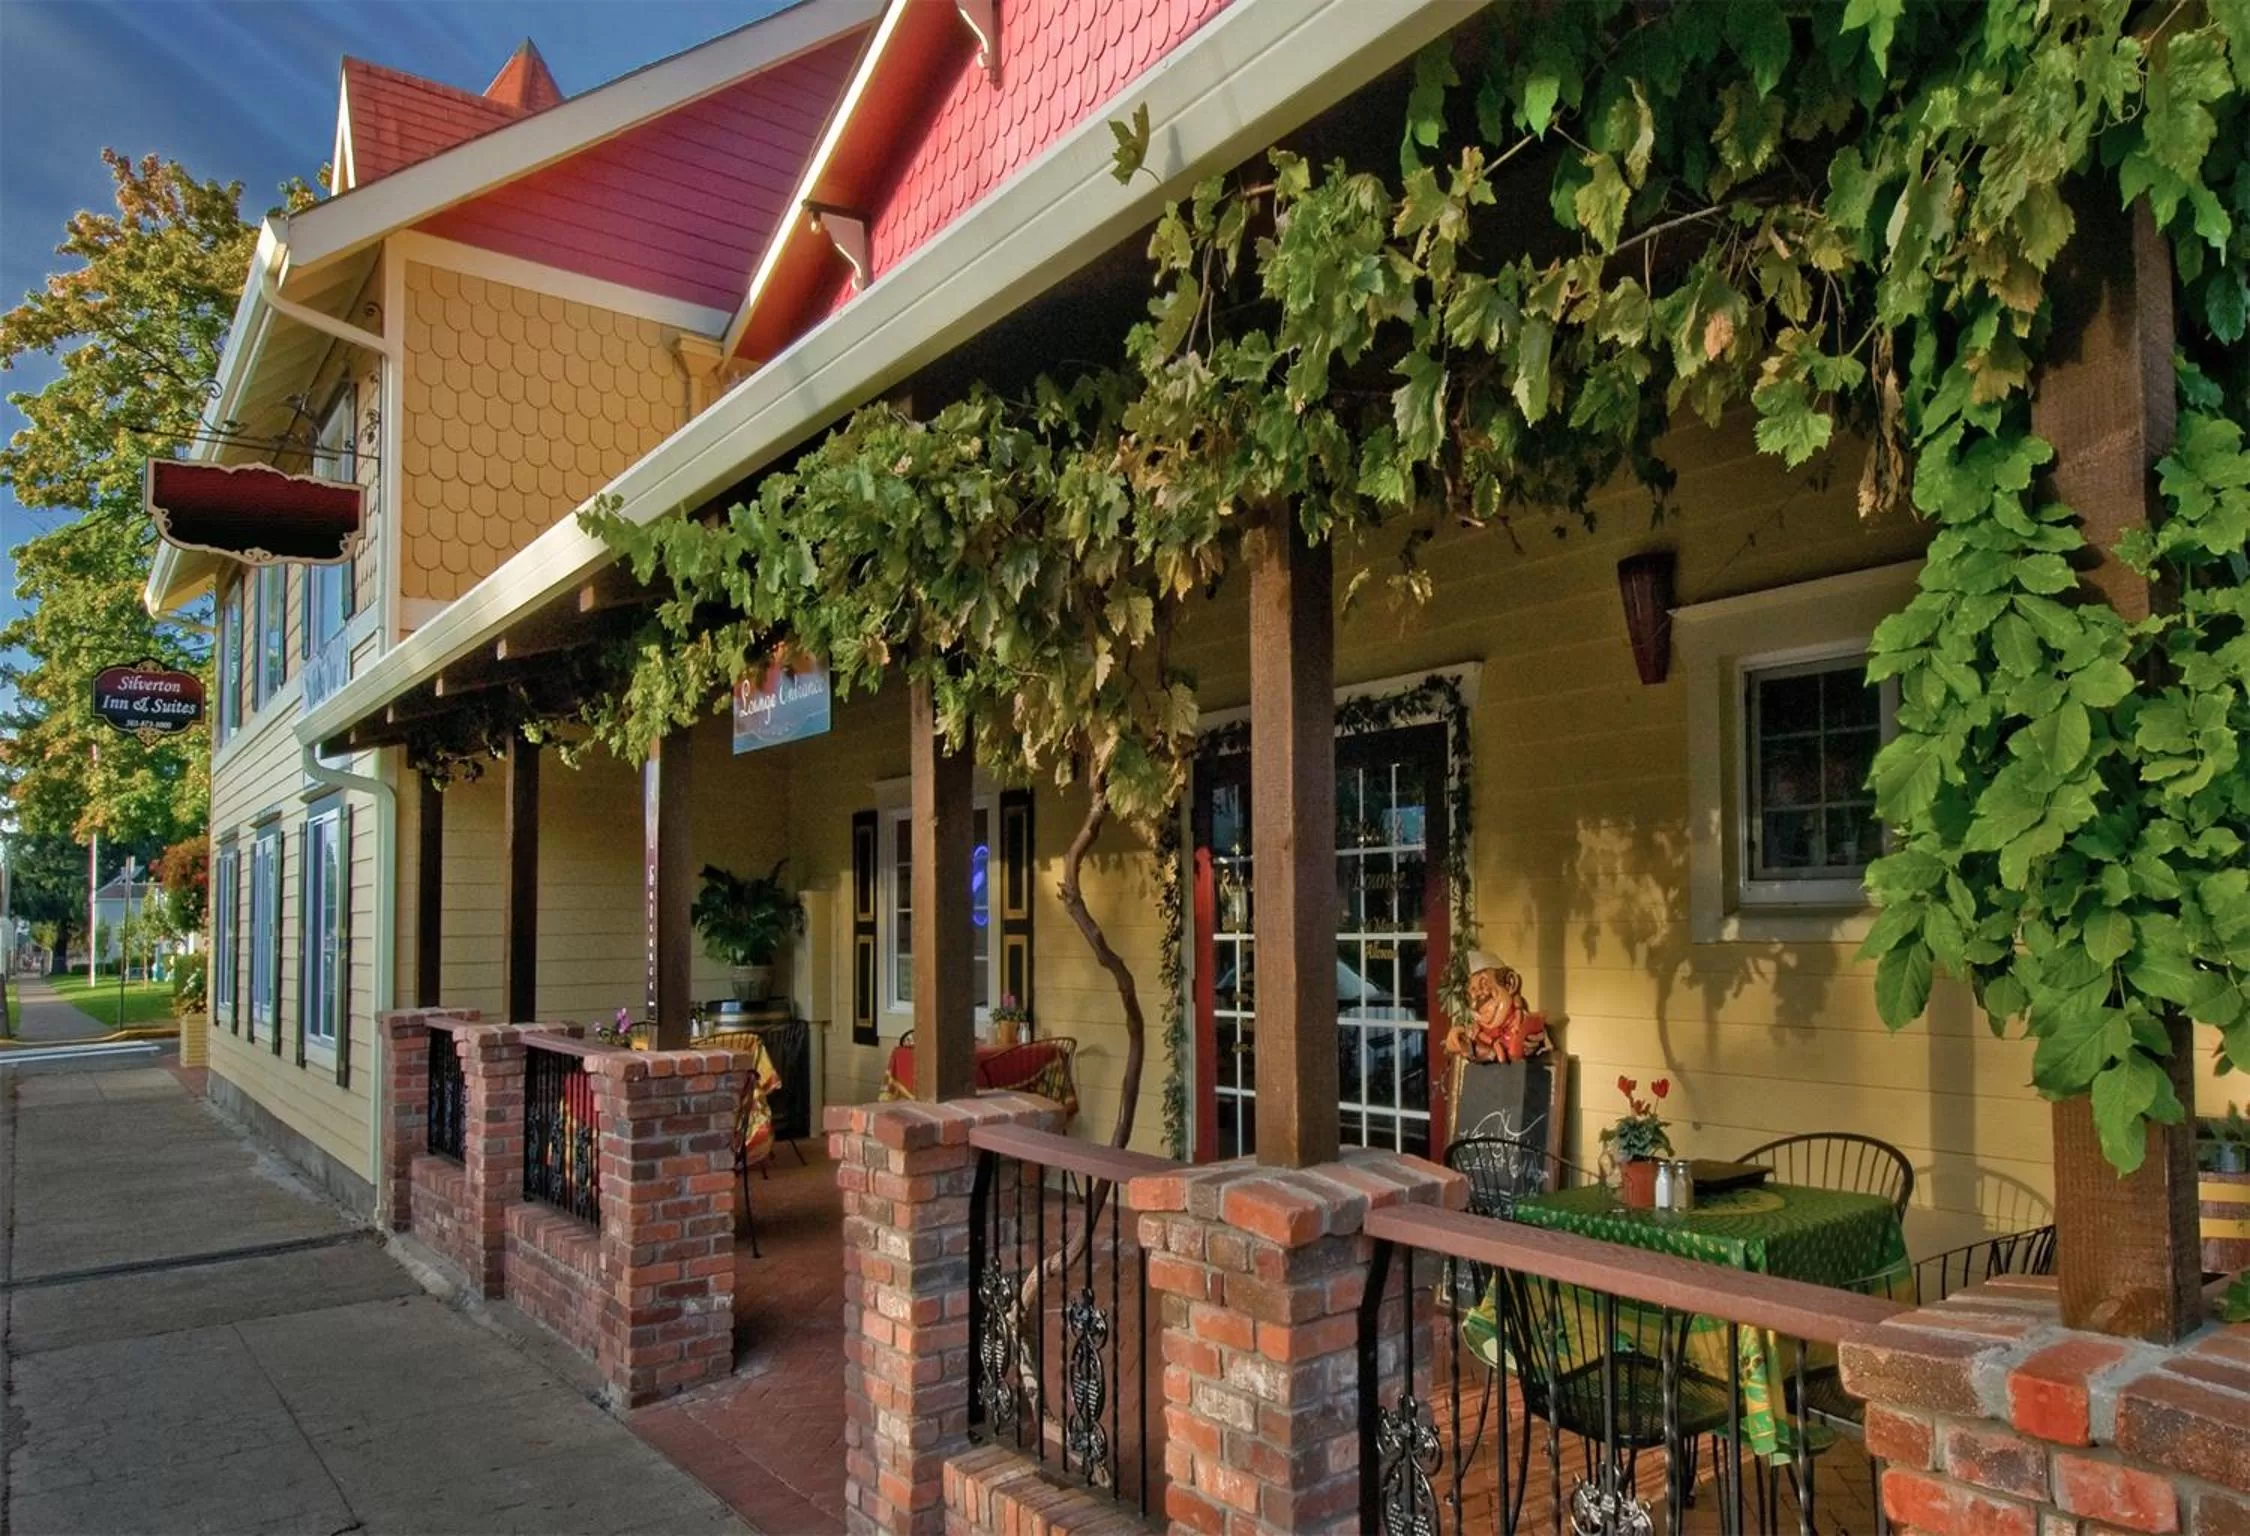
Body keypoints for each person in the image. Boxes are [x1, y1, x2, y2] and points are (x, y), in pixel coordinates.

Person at [1447, 950, 1548, 1064]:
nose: (1476, 1001)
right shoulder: (1479, 1031)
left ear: (1509, 984)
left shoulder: (1519, 1019)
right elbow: (1466, 1045)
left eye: (1484, 983)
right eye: (1472, 992)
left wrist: (1538, 1042)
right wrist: (1460, 1039)